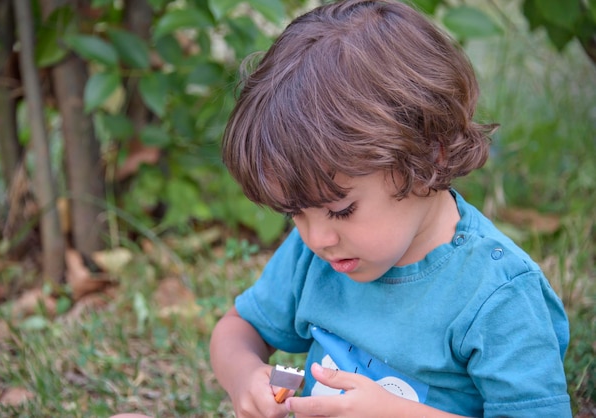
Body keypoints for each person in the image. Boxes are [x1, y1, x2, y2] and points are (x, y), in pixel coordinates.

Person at [209, 0, 571, 417]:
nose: (317, 238)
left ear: (428, 156)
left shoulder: (496, 292)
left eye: (342, 210)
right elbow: (238, 329)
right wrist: (244, 376)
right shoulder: (317, 253)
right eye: (295, 213)